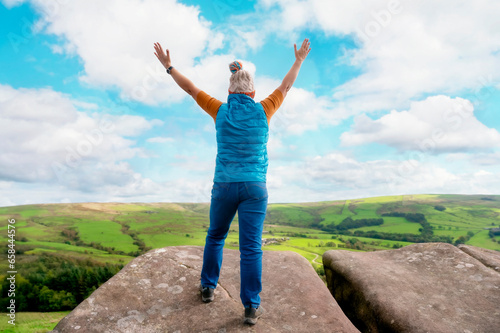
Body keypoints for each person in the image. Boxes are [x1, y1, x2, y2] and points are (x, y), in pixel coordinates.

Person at [154, 39, 311, 325]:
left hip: (224, 186)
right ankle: (251, 307)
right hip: (255, 188)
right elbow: (286, 86)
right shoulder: (265, 108)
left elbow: (190, 88)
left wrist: (169, 67)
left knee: (216, 236)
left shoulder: (220, 109)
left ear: (229, 91)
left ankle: (207, 288)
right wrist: (299, 60)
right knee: (250, 247)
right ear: (252, 92)